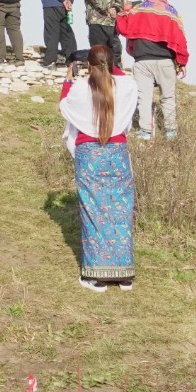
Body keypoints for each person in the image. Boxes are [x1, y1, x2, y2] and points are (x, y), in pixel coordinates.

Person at [60, 45, 139, 292]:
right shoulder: (126, 85)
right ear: (112, 63)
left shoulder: (80, 88)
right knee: (121, 209)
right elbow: (120, 77)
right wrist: (109, 64)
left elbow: (65, 105)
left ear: (88, 65)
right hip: (117, 153)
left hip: (89, 153)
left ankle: (96, 277)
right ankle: (124, 274)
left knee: (93, 210)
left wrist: (68, 78)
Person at [115, 0, 189, 140]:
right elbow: (181, 40)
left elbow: (122, 27)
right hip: (165, 62)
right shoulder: (172, 12)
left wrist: (124, 11)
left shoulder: (138, 9)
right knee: (168, 97)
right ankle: (171, 132)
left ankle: (145, 132)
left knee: (144, 97)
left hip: (142, 61)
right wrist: (182, 61)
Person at [83, 0, 125, 68]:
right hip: (111, 22)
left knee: (98, 52)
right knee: (112, 51)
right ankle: (114, 71)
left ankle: (101, 74)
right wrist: (115, 9)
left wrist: (106, 9)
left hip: (96, 20)